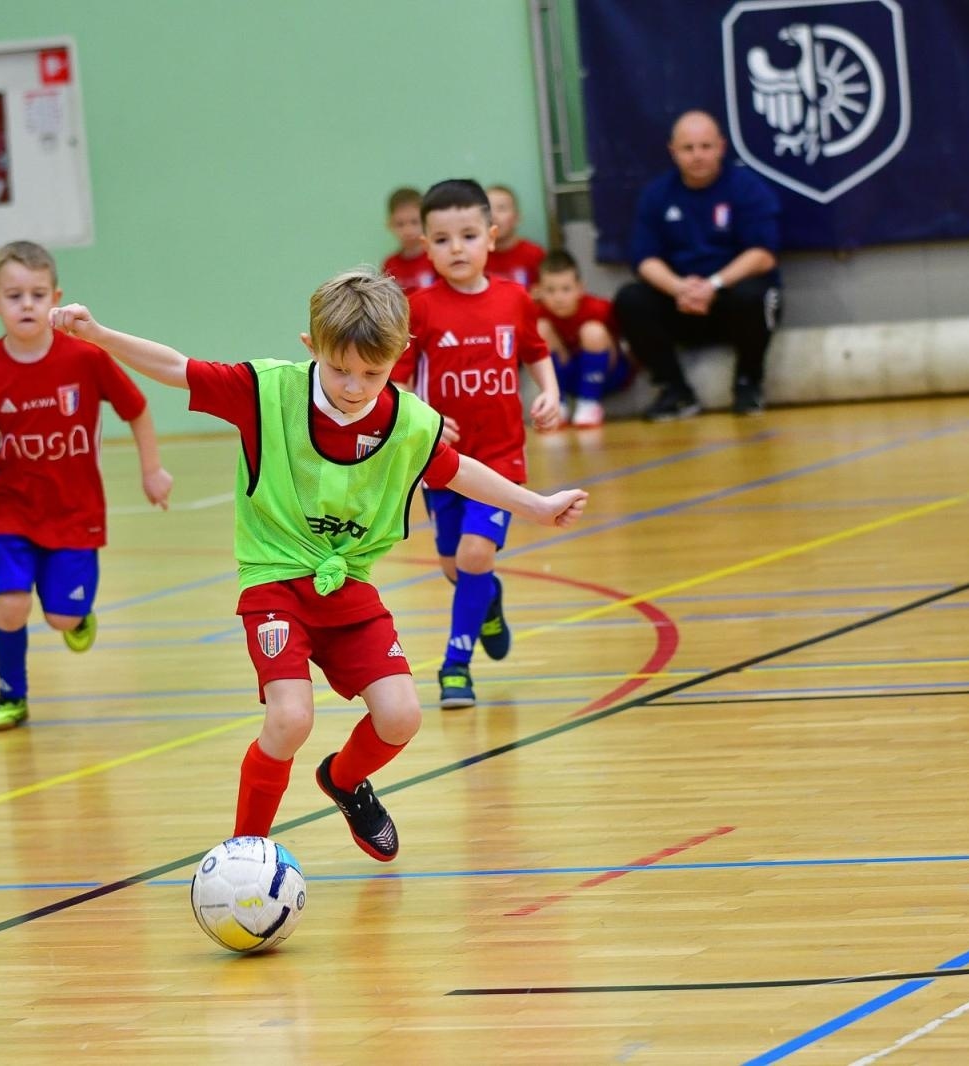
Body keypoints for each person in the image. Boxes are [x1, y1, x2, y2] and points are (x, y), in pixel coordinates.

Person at [46, 268, 586, 861]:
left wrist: (537, 506)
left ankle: (345, 781)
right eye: (340, 370)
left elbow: (456, 469)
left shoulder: (407, 422)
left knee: (402, 715)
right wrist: (100, 335)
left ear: (399, 356)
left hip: (347, 584)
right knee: (291, 718)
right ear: (312, 348)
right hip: (275, 580)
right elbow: (178, 367)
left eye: (372, 374)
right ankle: (246, 851)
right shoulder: (268, 392)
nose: (355, 387)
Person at [0, 241, 173, 732]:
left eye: (37, 293)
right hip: (11, 508)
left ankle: (76, 616)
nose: (26, 304)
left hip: (75, 510)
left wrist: (151, 470)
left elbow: (136, 409)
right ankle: (11, 693)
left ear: (56, 298)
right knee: (11, 603)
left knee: (61, 620)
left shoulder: (85, 359)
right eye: (13, 295)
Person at [392, 179, 563, 709]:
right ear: (426, 246)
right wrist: (424, 419)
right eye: (442, 240)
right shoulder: (418, 309)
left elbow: (536, 350)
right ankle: (488, 601)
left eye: (468, 235)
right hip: (443, 463)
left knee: (472, 553)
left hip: (501, 458)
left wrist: (552, 392)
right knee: (455, 565)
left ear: (492, 237)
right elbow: (394, 382)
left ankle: (454, 667)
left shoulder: (514, 298)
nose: (456, 248)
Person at [615, 109, 782, 420]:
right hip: (681, 303)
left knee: (756, 294)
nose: (697, 156)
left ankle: (748, 384)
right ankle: (675, 392)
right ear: (673, 151)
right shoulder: (657, 195)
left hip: (730, 299)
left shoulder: (746, 188)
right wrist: (680, 288)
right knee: (631, 299)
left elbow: (762, 254)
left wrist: (713, 285)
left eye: (705, 147)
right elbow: (644, 259)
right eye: (688, 148)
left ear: (721, 147)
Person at [533, 249, 634, 428]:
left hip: (608, 373)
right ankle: (557, 403)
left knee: (592, 331)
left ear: (580, 288)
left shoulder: (599, 309)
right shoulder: (538, 312)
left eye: (566, 289)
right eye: (550, 290)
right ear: (539, 291)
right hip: (569, 375)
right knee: (540, 328)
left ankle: (589, 402)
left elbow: (626, 341)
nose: (558, 297)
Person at [485, 184, 546, 289]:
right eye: (487, 210)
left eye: (501, 208)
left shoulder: (535, 254)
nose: (493, 216)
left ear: (516, 218)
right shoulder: (476, 255)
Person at [380, 186, 435, 295]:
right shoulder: (389, 264)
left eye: (414, 222)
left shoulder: (435, 258)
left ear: (426, 221)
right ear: (390, 225)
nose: (408, 231)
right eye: (400, 224)